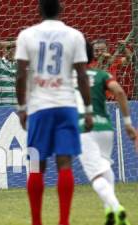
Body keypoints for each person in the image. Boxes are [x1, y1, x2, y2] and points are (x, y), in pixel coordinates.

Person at [14, 1, 93, 225]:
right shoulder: (75, 36)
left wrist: (22, 108)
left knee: (37, 164)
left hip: (39, 107)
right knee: (65, 163)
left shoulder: (26, 35)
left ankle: (37, 221)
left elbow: (20, 75)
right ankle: (63, 221)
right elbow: (83, 75)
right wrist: (87, 110)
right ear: (62, 9)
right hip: (66, 105)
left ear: (39, 10)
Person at [76, 41, 136, 225]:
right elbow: (119, 91)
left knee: (95, 176)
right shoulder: (102, 74)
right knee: (104, 167)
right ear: (94, 55)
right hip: (105, 129)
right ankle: (109, 212)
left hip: (85, 128)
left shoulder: (71, 77)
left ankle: (117, 208)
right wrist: (128, 124)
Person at [0, 39, 17, 106]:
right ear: (3, 50)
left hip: (17, 109)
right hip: (0, 109)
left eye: (14, 48)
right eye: (8, 48)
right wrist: (16, 42)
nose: (11, 50)